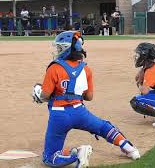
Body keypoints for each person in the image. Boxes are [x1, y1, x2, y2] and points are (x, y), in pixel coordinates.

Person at [32, 31, 140, 167]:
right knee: (104, 127)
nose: (57, 50)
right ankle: (130, 148)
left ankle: (77, 153)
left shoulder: (54, 67)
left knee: (49, 158)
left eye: (60, 47)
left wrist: (38, 94)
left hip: (59, 115)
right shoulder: (86, 69)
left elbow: (46, 95)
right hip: (79, 112)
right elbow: (89, 97)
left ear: (66, 48)